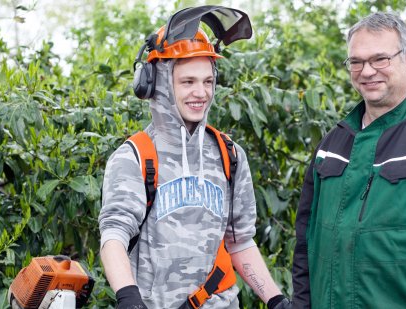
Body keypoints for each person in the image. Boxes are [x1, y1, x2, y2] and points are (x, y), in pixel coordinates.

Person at [98, 6, 290, 309]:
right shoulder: (135, 156)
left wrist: (276, 300)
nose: (200, 92)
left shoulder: (229, 155)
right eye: (188, 81)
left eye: (207, 81)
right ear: (159, 85)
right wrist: (128, 297)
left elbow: (240, 241)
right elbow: (113, 235)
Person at [292, 12, 406, 308]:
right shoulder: (331, 146)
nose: (367, 71)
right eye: (356, 62)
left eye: (380, 59)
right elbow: (305, 245)